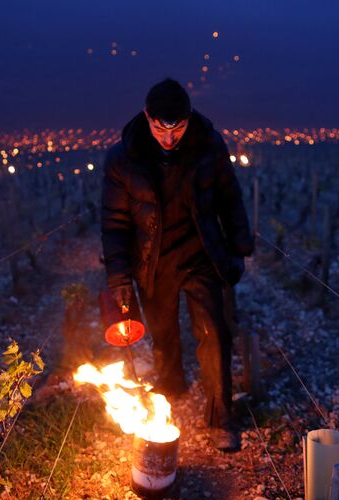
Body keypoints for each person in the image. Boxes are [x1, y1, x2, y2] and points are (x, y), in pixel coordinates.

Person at [100, 78, 254, 451]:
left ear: (188, 119)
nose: (168, 139)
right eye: (159, 128)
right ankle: (170, 390)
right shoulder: (123, 157)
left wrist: (238, 247)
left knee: (215, 333)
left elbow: (230, 198)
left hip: (202, 253)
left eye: (178, 129)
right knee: (164, 334)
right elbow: (115, 222)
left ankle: (221, 418)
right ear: (147, 116)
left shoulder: (209, 147)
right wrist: (119, 277)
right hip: (152, 261)